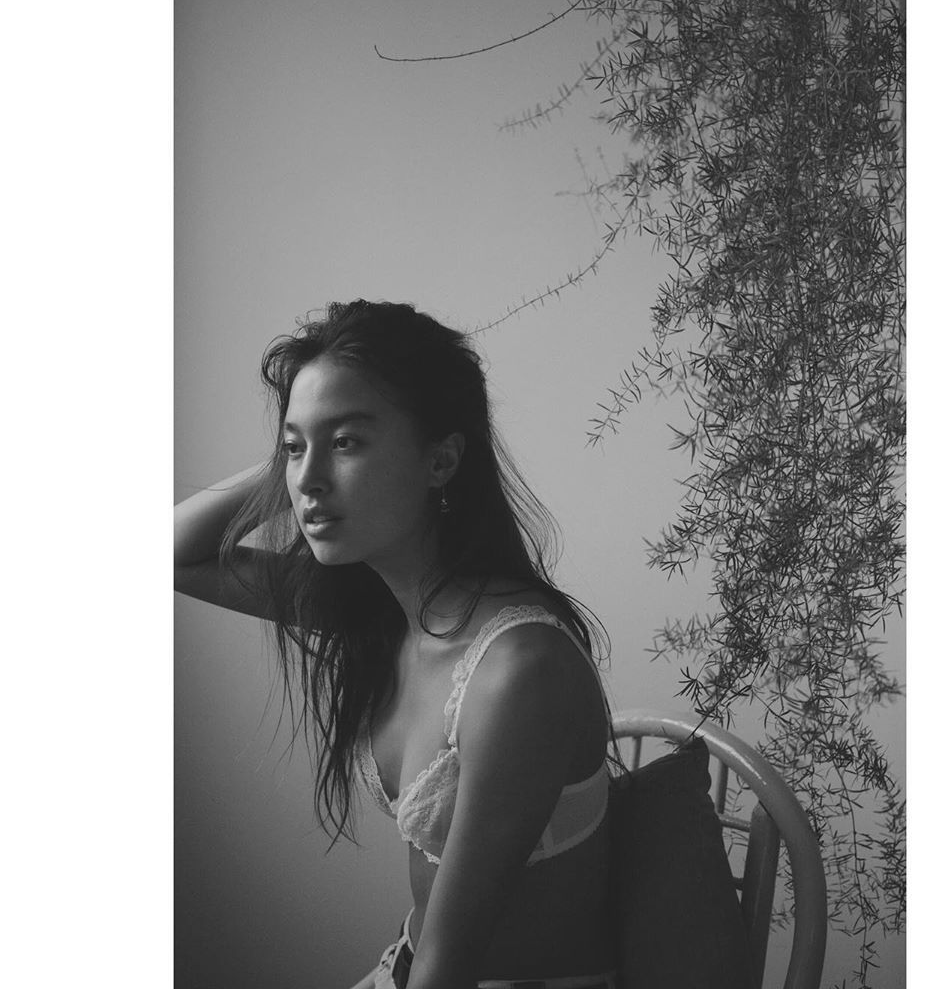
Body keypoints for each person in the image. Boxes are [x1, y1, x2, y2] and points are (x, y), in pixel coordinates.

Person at [174, 299, 619, 989]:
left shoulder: (518, 670)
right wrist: (301, 459)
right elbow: (174, 553)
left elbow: (451, 962)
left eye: (347, 442)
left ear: (441, 459)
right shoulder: (384, 614)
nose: (307, 481)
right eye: (293, 448)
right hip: (406, 965)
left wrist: (306, 450)